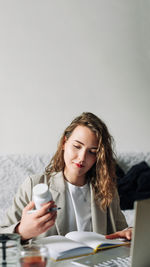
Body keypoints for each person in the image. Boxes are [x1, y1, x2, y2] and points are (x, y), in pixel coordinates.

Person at [0, 112, 132, 242]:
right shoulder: (33, 184)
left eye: (92, 152)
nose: (82, 158)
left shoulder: (106, 190)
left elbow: (122, 232)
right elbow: (3, 235)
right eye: (77, 146)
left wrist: (130, 232)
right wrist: (21, 232)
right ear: (64, 142)